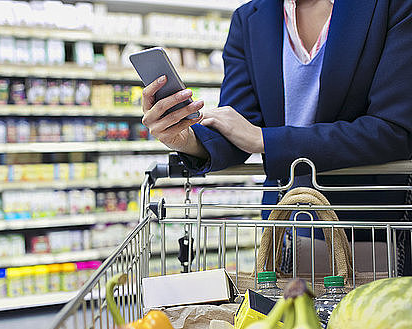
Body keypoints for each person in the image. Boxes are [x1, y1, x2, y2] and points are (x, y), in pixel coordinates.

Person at [141, 0, 412, 275]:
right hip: (281, 224)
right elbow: (239, 125)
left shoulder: (390, 6)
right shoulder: (249, 18)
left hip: (368, 223)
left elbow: (394, 129)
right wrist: (185, 138)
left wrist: (265, 140)